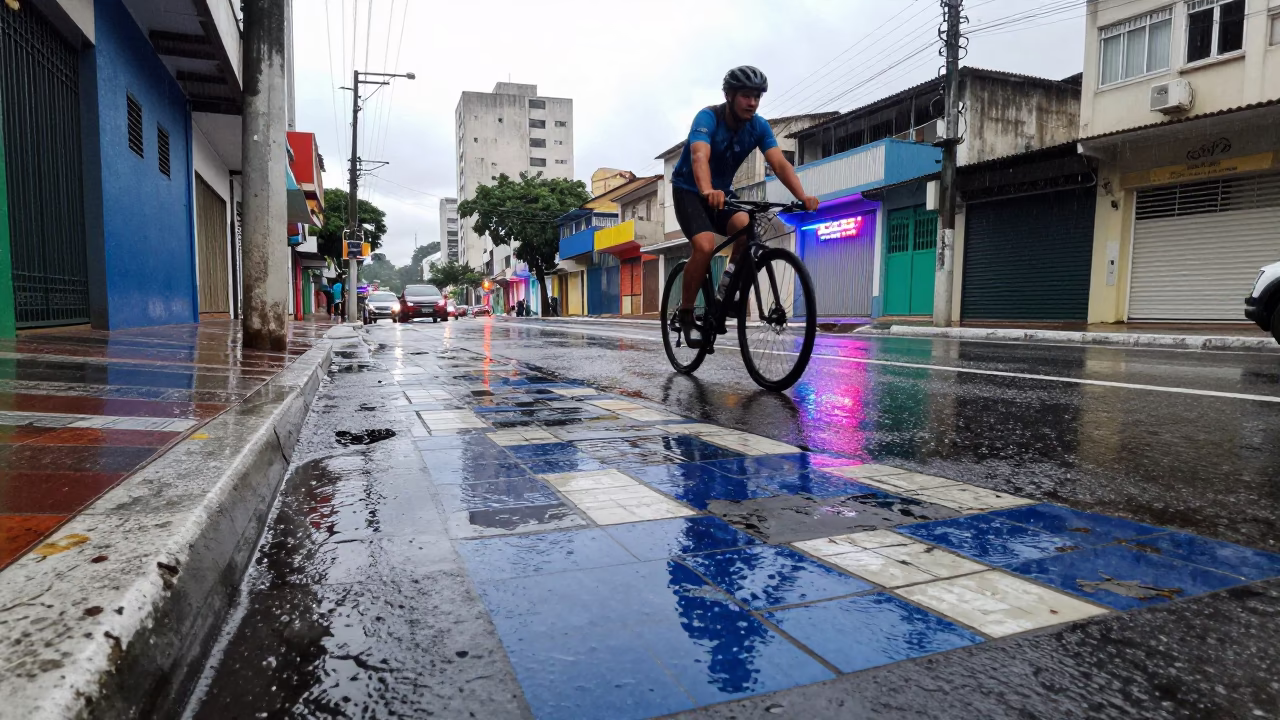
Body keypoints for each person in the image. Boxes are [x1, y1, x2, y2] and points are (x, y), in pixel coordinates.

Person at [669, 65, 820, 348]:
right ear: (729, 95)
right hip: (690, 190)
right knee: (703, 245)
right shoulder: (708, 117)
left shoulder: (758, 126)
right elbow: (699, 155)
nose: (752, 103)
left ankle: (725, 297)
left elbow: (779, 163)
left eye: (757, 97)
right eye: (746, 96)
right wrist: (706, 190)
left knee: (747, 231)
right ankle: (686, 313)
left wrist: (802, 196)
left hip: (722, 194)